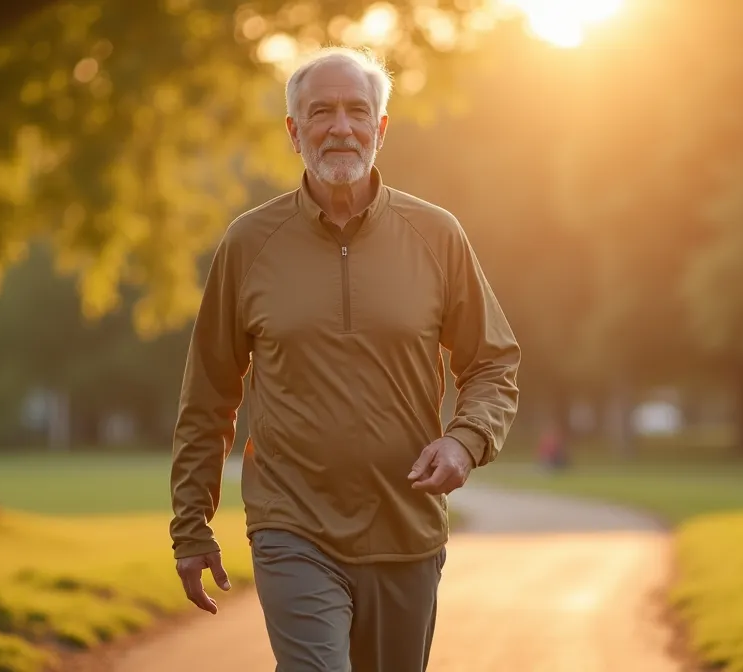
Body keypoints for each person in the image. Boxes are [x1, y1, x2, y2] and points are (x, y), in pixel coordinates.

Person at [168, 45, 521, 671]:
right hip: (292, 526)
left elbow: (493, 363)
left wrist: (466, 441)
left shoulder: (437, 235)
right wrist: (191, 525)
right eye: (320, 111)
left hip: (406, 530)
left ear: (380, 128)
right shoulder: (249, 243)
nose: (340, 127)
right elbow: (209, 395)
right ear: (293, 129)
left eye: (357, 111)